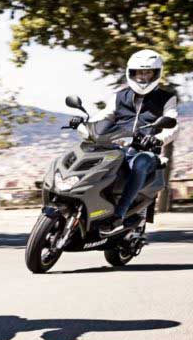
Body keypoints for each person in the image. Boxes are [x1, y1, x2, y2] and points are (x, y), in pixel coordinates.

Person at [72, 49, 179, 233]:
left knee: (141, 162)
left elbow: (173, 125)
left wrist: (157, 140)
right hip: (117, 147)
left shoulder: (167, 98)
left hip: (145, 151)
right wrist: (85, 124)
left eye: (148, 72)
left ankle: (118, 215)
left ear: (156, 74)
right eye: (139, 72)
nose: (143, 77)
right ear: (132, 73)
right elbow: (103, 116)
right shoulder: (119, 97)